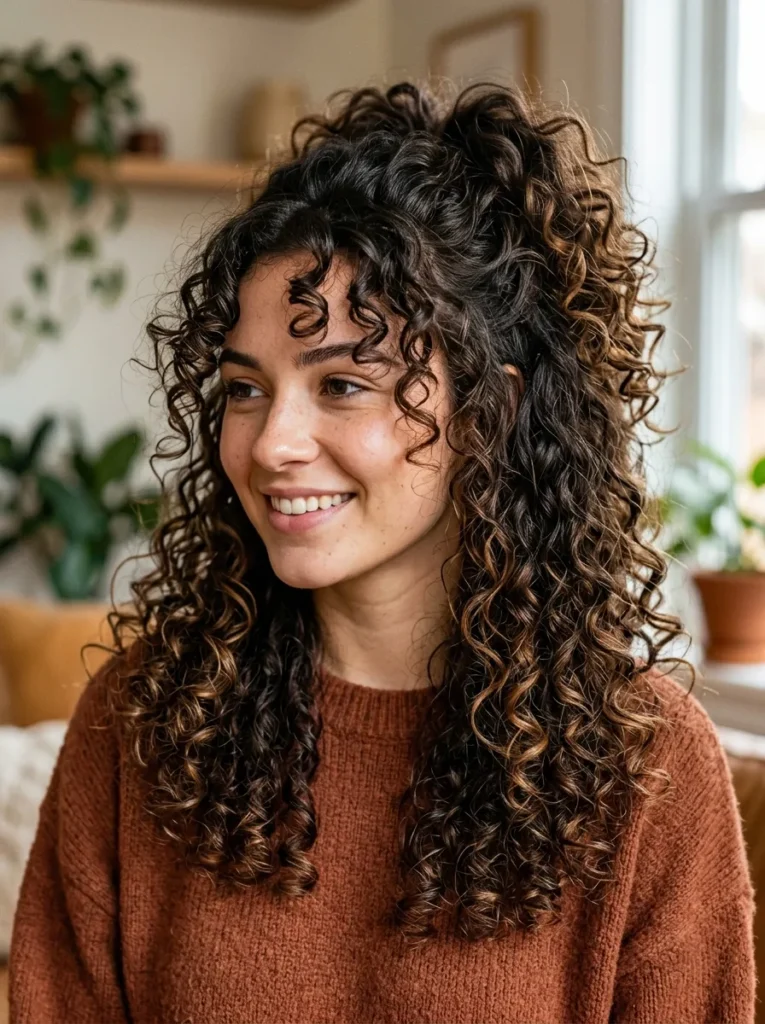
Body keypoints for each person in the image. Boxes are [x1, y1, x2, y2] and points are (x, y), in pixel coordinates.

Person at [9, 79, 756, 1024]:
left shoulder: (647, 771)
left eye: (343, 384)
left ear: (493, 409)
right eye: (245, 388)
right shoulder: (139, 724)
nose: (271, 441)